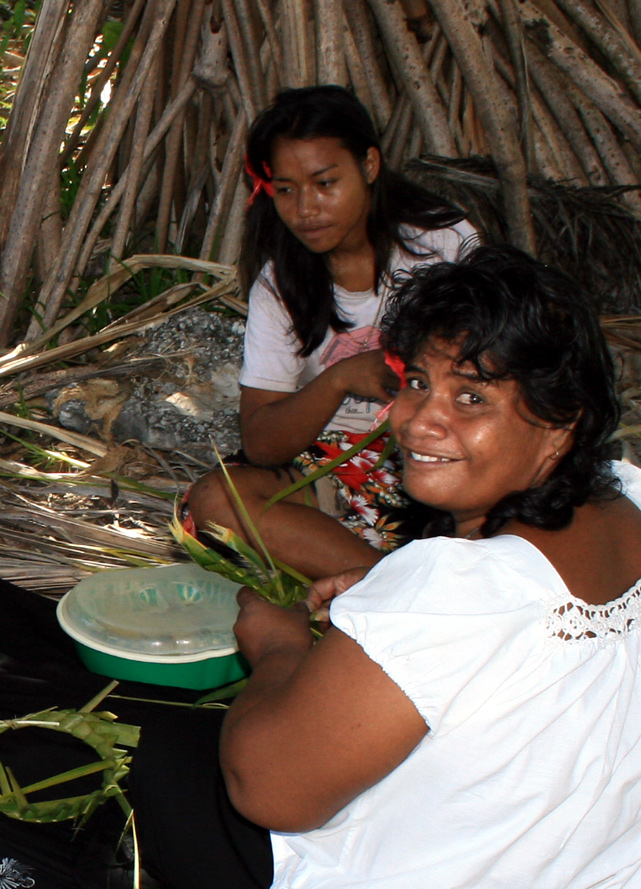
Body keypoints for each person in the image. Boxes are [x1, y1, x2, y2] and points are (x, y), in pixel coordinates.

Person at [0, 246, 641, 889]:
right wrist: (381, 613)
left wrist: (281, 648)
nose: (419, 421)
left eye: (471, 397)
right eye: (416, 384)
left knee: (132, 749)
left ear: (562, 419)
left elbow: (270, 792)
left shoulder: (455, 591)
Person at [185, 85, 475, 578]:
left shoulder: (443, 245)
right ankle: (384, 584)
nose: (306, 209)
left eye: (325, 183)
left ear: (369, 166)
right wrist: (338, 379)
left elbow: (491, 378)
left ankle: (368, 573)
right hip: (341, 471)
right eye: (287, 190)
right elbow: (262, 444)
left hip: (439, 455)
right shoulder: (279, 287)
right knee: (212, 503)